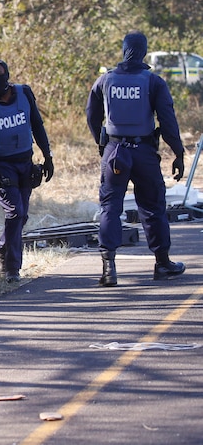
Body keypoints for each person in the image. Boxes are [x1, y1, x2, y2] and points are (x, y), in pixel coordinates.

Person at [85, 30, 186, 286]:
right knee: (153, 207)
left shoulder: (105, 80)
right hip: (143, 153)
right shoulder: (153, 82)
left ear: (123, 50)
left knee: (110, 207)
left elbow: (91, 114)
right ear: (143, 51)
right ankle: (162, 263)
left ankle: (109, 269)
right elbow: (168, 120)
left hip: (114, 152)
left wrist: (101, 141)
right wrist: (178, 152)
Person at [0, 59, 54, 282]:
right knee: (15, 213)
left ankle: (0, 250)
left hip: (25, 162)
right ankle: (12, 269)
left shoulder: (24, 94)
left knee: (22, 215)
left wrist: (48, 156)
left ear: (7, 75)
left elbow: (37, 125)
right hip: (2, 166)